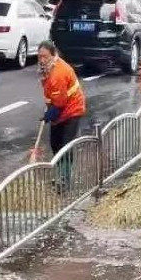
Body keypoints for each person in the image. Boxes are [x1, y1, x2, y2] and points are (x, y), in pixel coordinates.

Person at [37, 40, 86, 190]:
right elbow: (52, 97)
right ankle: (59, 176)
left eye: (45, 57)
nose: (41, 60)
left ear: (53, 55)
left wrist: (49, 115)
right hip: (59, 109)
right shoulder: (47, 70)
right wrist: (49, 110)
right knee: (55, 143)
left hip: (72, 110)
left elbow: (60, 102)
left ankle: (65, 180)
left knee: (65, 145)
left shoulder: (58, 73)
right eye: (39, 57)